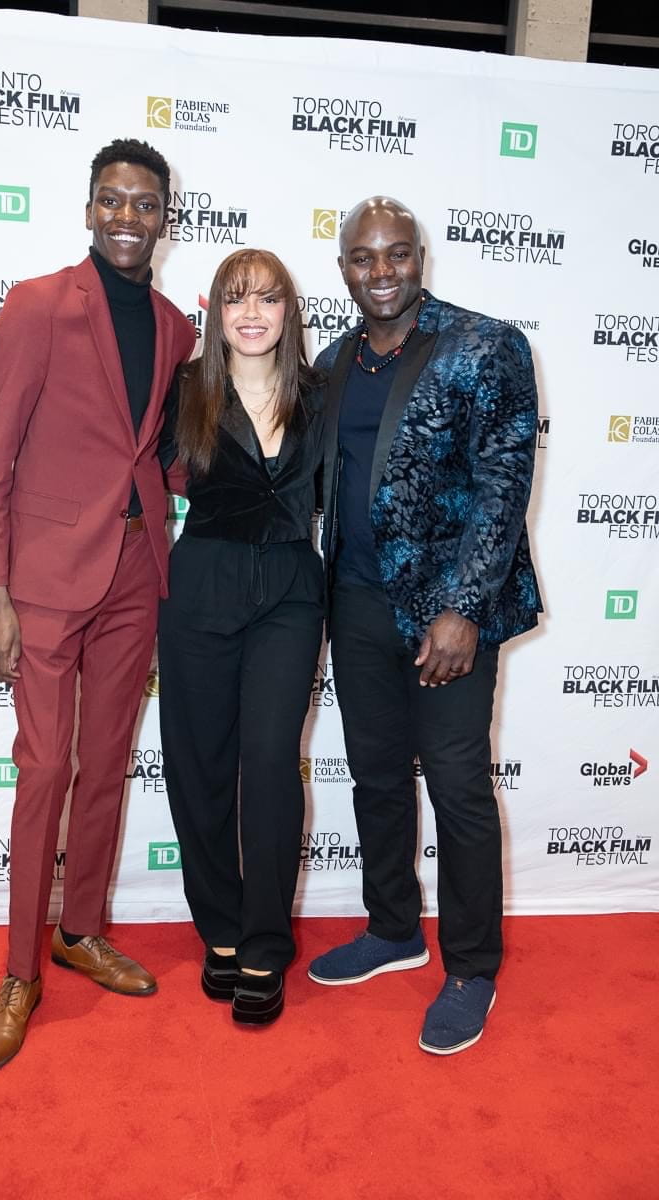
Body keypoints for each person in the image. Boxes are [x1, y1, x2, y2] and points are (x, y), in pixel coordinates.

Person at [0, 138, 195, 1071]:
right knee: (44, 773)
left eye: (146, 204)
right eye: (114, 200)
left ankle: (82, 929)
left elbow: (164, 454)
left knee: (105, 764)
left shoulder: (179, 325)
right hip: (47, 580)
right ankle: (21, 969)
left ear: (165, 218)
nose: (129, 218)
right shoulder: (36, 305)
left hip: (139, 572)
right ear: (90, 208)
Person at [307, 196, 541, 1055]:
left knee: (457, 785)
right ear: (344, 271)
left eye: (396, 254)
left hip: (449, 613)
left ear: (420, 257)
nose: (382, 272)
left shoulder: (486, 345)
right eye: (364, 258)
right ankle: (394, 929)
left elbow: (503, 487)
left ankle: (473, 966)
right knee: (373, 775)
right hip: (357, 602)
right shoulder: (332, 362)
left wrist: (463, 610)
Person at [158, 249, 324, 1027]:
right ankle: (219, 930)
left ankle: (264, 943)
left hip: (292, 592)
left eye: (267, 299)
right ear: (215, 312)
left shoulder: (320, 396)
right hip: (200, 589)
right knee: (199, 767)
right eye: (235, 299)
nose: (251, 314)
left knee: (267, 764)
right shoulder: (184, 390)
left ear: (290, 313)